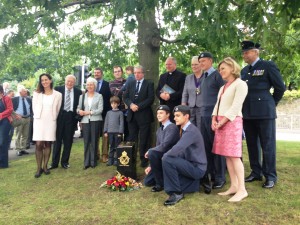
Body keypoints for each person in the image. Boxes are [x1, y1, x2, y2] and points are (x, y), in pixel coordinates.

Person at [241, 40, 286, 188]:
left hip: (265, 113)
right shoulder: (244, 71)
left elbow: (280, 87)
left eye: (247, 52)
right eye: (243, 53)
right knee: (252, 144)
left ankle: (270, 176)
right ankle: (256, 172)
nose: (244, 55)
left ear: (256, 52)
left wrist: (272, 103)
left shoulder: (268, 66)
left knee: (268, 146)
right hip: (248, 113)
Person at [212, 57, 248, 202]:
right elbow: (217, 105)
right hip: (220, 121)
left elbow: (235, 106)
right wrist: (213, 119)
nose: (220, 71)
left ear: (232, 68)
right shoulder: (223, 87)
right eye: (220, 69)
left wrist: (222, 121)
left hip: (232, 122)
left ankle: (242, 189)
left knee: (234, 156)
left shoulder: (241, 84)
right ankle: (233, 186)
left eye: (223, 69)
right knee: (227, 155)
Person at [161, 105, 207, 206]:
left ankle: (177, 193)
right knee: (171, 181)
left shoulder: (190, 131)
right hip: (192, 165)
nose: (174, 118)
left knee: (167, 159)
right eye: (174, 115)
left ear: (186, 116)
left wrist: (165, 156)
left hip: (197, 168)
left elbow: (177, 149)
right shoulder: (186, 129)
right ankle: (196, 183)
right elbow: (181, 152)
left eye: (178, 115)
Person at [197, 52, 226, 193]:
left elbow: (225, 95)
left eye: (203, 61)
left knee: (218, 147)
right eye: (199, 61)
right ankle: (210, 175)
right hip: (203, 115)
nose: (201, 64)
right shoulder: (203, 77)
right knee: (207, 147)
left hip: (215, 116)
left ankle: (220, 177)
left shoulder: (217, 75)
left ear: (210, 61)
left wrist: (219, 115)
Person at [123, 65, 155, 168]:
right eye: (135, 73)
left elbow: (150, 99)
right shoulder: (130, 83)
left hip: (144, 115)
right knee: (132, 138)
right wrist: (131, 105)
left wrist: (138, 106)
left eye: (139, 72)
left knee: (144, 139)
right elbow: (125, 97)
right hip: (132, 116)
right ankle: (131, 158)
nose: (137, 74)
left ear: (143, 73)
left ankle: (144, 159)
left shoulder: (149, 83)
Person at [144, 105, 180, 191]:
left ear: (167, 115)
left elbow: (164, 146)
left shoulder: (172, 127)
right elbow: (157, 147)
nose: (158, 115)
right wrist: (150, 165)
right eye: (157, 113)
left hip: (170, 158)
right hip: (160, 159)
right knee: (147, 182)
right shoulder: (159, 130)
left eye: (161, 113)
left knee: (152, 152)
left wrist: (149, 150)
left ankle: (160, 184)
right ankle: (162, 178)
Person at [32, 74, 62, 178]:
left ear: (50, 80)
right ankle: (38, 168)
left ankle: (45, 166)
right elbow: (34, 107)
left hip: (50, 120)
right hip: (39, 120)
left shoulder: (58, 94)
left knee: (48, 143)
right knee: (39, 144)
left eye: (46, 80)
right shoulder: (37, 93)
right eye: (42, 80)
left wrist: (52, 117)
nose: (44, 82)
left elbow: (57, 109)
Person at [50, 75, 82, 170]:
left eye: (72, 82)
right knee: (57, 141)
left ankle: (65, 162)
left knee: (68, 141)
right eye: (68, 81)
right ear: (65, 81)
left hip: (71, 118)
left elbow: (79, 105)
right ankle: (54, 163)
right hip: (59, 117)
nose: (70, 83)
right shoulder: (57, 89)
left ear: (74, 83)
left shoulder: (78, 92)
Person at [77, 77, 103, 169]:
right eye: (88, 84)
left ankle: (93, 162)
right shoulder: (82, 96)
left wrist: (89, 112)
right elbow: (78, 108)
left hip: (96, 120)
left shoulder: (99, 96)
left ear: (95, 86)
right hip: (85, 121)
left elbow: (100, 110)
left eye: (91, 84)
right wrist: (79, 111)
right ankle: (86, 162)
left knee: (94, 141)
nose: (89, 86)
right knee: (86, 141)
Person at [156, 57, 186, 122]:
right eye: (166, 64)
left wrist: (170, 96)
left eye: (169, 64)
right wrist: (161, 95)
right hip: (163, 107)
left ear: (175, 65)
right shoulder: (162, 76)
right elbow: (157, 90)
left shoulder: (182, 76)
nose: (167, 66)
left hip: (175, 107)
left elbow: (182, 91)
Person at [94, 67, 111, 162]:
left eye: (98, 73)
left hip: (105, 113)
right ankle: (96, 154)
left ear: (102, 74)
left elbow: (109, 99)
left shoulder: (107, 84)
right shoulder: (90, 85)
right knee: (95, 134)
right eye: (95, 73)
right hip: (94, 114)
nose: (96, 74)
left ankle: (105, 154)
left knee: (105, 135)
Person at [181, 56, 202, 128]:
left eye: (196, 64)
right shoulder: (188, 77)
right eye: (192, 65)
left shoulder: (206, 76)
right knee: (190, 127)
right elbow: (185, 92)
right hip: (190, 107)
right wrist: (183, 105)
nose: (194, 66)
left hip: (202, 107)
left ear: (201, 64)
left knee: (201, 128)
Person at [103, 96, 124, 166]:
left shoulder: (120, 113)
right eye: (112, 103)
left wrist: (120, 132)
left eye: (115, 103)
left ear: (118, 104)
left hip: (117, 133)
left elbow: (121, 123)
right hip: (110, 132)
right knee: (111, 146)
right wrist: (105, 131)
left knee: (117, 146)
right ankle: (110, 159)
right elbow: (106, 122)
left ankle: (116, 160)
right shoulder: (108, 113)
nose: (113, 105)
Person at [12, 85, 32, 156]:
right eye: (24, 91)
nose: (26, 92)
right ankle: (18, 149)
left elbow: (31, 108)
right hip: (19, 119)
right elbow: (10, 109)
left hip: (27, 118)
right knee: (18, 134)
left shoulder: (29, 99)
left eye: (26, 91)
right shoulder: (15, 99)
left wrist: (31, 117)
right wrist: (15, 115)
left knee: (25, 134)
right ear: (20, 92)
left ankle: (23, 149)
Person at [109, 65, 128, 139]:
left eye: (119, 71)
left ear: (122, 72)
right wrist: (124, 89)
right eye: (115, 72)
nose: (117, 73)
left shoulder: (128, 81)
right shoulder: (111, 83)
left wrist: (119, 89)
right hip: (117, 111)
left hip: (127, 111)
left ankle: (126, 149)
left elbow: (129, 93)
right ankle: (117, 150)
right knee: (118, 134)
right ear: (113, 73)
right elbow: (115, 94)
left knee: (127, 132)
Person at [0, 85, 13, 168]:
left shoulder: (6, 98)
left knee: (2, 142)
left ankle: (4, 163)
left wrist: (1, 115)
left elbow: (10, 109)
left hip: (5, 121)